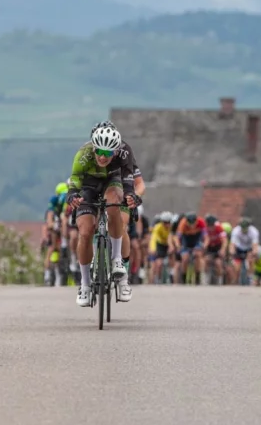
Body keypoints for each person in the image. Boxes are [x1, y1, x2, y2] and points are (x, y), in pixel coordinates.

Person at [65, 124, 141, 306]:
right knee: (85, 231)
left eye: (107, 153)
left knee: (114, 202)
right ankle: (85, 284)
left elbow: (128, 181)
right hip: (88, 185)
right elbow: (75, 179)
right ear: (93, 147)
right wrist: (73, 195)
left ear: (115, 151)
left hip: (111, 181)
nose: (102, 156)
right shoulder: (83, 154)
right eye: (99, 151)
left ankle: (116, 260)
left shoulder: (125, 152)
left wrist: (130, 197)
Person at [84, 121, 147, 284]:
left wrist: (135, 196)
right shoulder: (88, 155)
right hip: (98, 190)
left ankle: (122, 271)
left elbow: (139, 184)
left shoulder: (125, 154)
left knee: (120, 225)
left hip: (120, 192)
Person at [43, 182, 69, 285]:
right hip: (55, 223)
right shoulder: (54, 200)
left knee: (61, 248)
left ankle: (61, 271)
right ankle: (47, 273)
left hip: (63, 224)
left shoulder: (68, 200)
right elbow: (50, 214)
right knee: (51, 247)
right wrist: (51, 224)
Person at [175, 212, 206, 284]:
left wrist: (204, 245)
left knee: (198, 255)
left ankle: (197, 277)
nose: (192, 226)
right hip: (186, 240)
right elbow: (177, 237)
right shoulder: (183, 223)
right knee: (185, 258)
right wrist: (178, 246)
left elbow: (206, 237)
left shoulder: (201, 222)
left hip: (196, 240)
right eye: (190, 223)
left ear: (196, 221)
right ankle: (184, 277)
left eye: (193, 223)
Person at [149, 211, 178, 284]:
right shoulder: (158, 227)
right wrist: (153, 249)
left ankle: (172, 274)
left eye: (168, 222)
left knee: (172, 258)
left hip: (170, 244)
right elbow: (153, 238)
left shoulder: (173, 227)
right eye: (165, 222)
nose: (167, 224)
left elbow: (174, 237)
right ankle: (158, 279)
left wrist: (175, 246)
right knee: (159, 263)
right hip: (160, 244)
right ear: (162, 222)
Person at [228, 216, 259, 285]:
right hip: (239, 248)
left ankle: (250, 277)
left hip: (249, 248)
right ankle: (235, 281)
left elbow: (255, 245)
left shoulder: (254, 231)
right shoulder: (236, 231)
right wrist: (232, 252)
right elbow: (232, 244)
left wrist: (254, 252)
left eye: (246, 228)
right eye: (242, 228)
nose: (244, 230)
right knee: (236, 267)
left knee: (251, 260)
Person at [202, 214, 227, 284]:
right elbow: (206, 239)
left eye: (212, 225)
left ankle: (220, 280)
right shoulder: (205, 228)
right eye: (209, 225)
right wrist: (204, 247)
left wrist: (222, 250)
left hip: (218, 246)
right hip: (209, 247)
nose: (211, 227)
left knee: (218, 263)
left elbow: (224, 240)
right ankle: (205, 279)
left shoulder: (219, 227)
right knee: (206, 260)